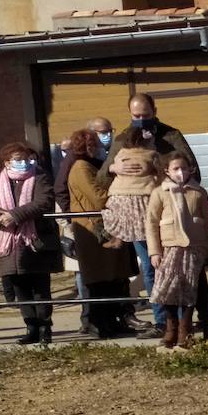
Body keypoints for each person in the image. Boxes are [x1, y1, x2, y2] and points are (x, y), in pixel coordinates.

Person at [0, 144, 62, 344]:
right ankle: (31, 326)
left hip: (35, 242)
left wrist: (15, 215)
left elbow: (44, 201)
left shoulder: (39, 177)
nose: (23, 163)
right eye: (18, 159)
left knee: (40, 287)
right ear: (6, 162)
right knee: (19, 287)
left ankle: (44, 328)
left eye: (26, 159)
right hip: (8, 245)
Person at [61, 129, 136, 338]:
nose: (100, 147)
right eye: (94, 143)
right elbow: (98, 197)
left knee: (112, 280)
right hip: (92, 231)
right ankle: (99, 323)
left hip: (103, 227)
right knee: (99, 281)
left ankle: (114, 320)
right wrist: (121, 191)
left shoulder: (92, 166)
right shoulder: (81, 167)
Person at [102, 129, 168, 337]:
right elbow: (163, 176)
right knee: (153, 266)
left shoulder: (120, 156)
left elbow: (102, 175)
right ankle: (163, 318)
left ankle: (118, 236)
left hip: (120, 204)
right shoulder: (152, 156)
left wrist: (113, 167)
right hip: (145, 206)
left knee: (149, 267)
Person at [145, 152, 208, 348]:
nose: (180, 172)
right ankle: (171, 328)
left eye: (183, 168)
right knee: (169, 289)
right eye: (175, 169)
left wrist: (204, 244)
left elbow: (206, 220)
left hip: (193, 247)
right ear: (167, 171)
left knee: (189, 289)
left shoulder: (198, 192)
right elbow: (150, 223)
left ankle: (186, 329)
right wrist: (155, 251)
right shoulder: (159, 192)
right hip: (169, 246)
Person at [99, 93, 197, 186]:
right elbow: (101, 180)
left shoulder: (171, 136)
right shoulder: (122, 140)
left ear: (154, 112)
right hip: (133, 197)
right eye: (137, 116)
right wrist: (112, 169)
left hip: (164, 195)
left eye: (146, 115)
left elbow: (194, 172)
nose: (141, 120)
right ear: (130, 113)